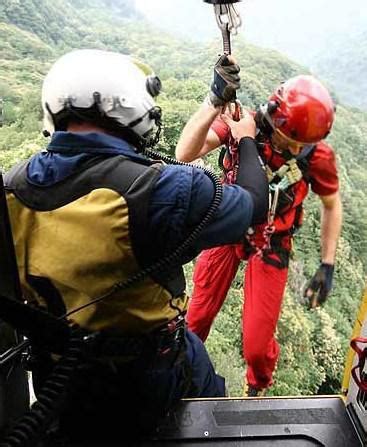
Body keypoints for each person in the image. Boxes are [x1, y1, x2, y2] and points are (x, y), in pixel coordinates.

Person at [3, 49, 268, 442]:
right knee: (206, 395)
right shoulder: (165, 188)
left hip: (58, 377)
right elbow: (252, 204)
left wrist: (215, 99)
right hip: (150, 377)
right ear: (132, 109)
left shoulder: (11, 190)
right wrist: (246, 141)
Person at [176, 75, 343, 397]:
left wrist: (328, 264)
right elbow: (184, 153)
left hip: (272, 241)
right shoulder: (243, 124)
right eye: (291, 139)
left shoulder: (316, 155)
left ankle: (257, 388)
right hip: (228, 227)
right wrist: (212, 103)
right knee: (195, 321)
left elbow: (331, 206)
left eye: (304, 144)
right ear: (273, 119)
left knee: (256, 345)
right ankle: (182, 376)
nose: (297, 149)